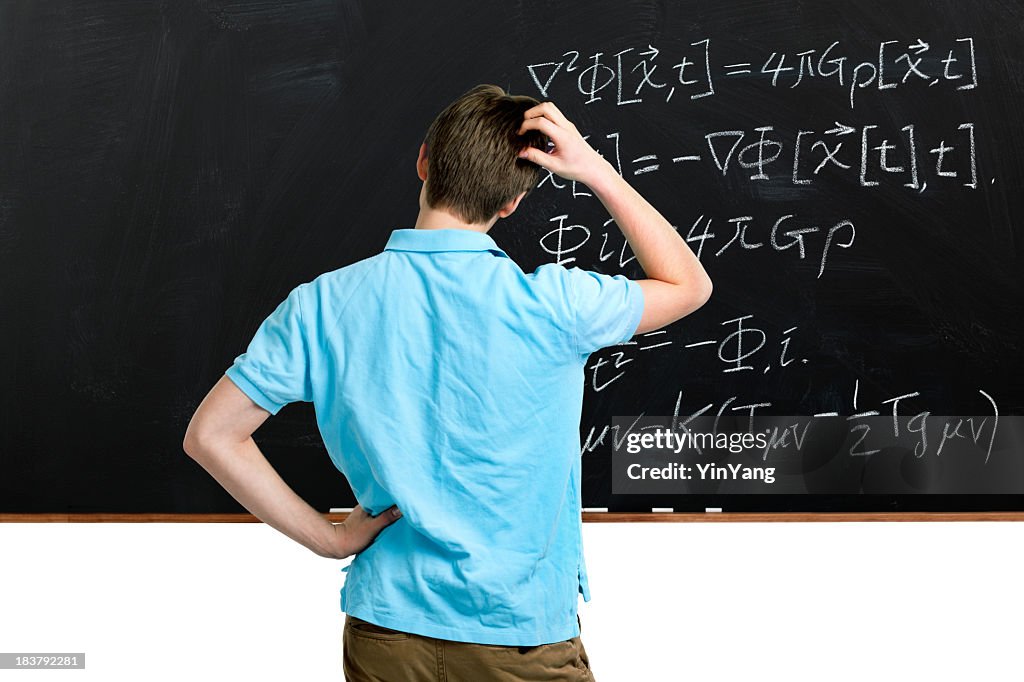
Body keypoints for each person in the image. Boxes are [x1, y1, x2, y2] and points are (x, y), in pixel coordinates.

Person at [182, 84, 712, 680]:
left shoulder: (323, 304)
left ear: (423, 162)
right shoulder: (557, 304)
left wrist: (326, 539)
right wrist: (596, 171)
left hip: (388, 632)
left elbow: (212, 435)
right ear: (512, 202)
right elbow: (688, 286)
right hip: (520, 636)